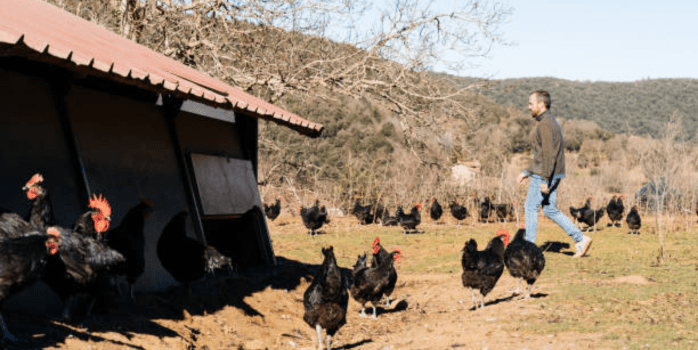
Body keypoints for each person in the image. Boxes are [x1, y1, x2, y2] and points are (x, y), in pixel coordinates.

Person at [515, 90, 592, 258]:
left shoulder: (545, 125)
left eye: (531, 103)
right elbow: (541, 153)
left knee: (530, 207)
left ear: (541, 105)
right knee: (550, 210)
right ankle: (581, 239)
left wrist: (544, 179)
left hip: (545, 174)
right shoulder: (549, 122)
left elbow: (548, 155)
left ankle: (529, 250)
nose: (529, 107)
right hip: (552, 174)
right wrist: (527, 171)